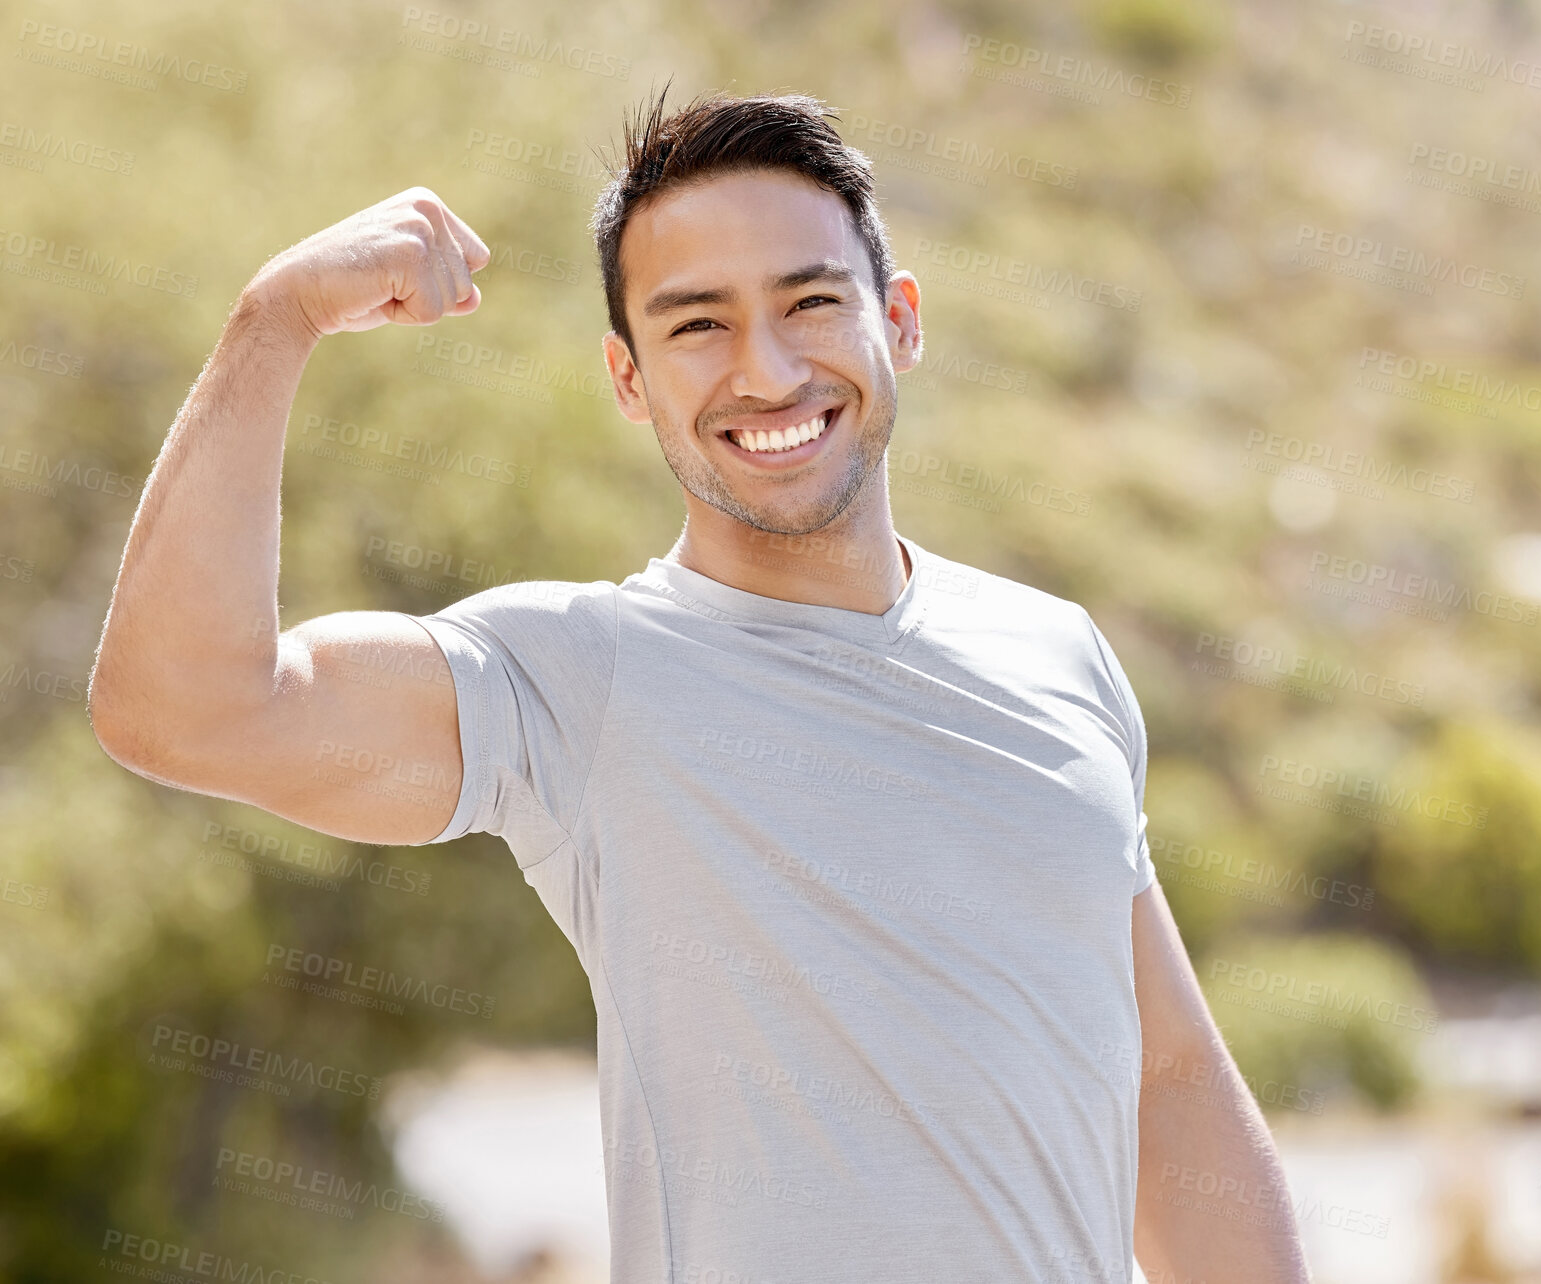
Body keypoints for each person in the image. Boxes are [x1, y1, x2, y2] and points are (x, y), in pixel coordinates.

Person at [88, 86, 1310, 1284]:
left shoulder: (1056, 653)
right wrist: (275, 319)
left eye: (809, 301)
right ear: (630, 381)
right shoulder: (577, 682)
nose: (767, 371)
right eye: (696, 325)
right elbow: (183, 710)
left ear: (900, 319)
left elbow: (1170, 1082)